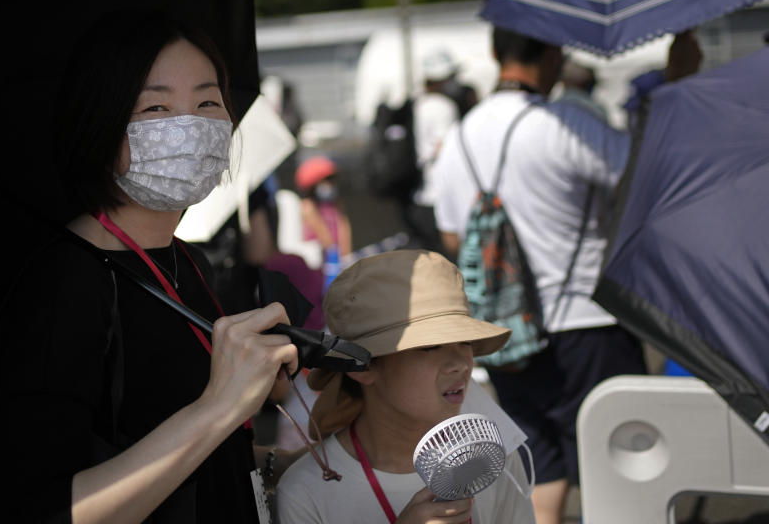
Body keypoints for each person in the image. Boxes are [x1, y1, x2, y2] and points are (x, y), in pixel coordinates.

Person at [0, 10, 298, 523]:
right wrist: (221, 405)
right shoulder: (68, 284)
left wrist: (300, 464)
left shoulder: (187, 260)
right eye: (156, 108)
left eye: (208, 101)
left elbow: (192, 459)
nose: (188, 126)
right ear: (100, 123)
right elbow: (43, 508)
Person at [430, 27, 647, 524]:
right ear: (553, 53)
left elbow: (450, 239)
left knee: (541, 470)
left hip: (507, 337)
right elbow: (642, 182)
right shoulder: (567, 121)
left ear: (494, 53)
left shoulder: (459, 136)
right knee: (624, 469)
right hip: (588, 326)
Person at [276, 250, 535, 524]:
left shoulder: (493, 461)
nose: (461, 363)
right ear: (364, 368)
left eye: (466, 342)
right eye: (430, 346)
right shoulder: (307, 492)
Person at [402, 50, 462, 257]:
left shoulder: (418, 103)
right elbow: (444, 146)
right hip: (440, 196)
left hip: (420, 195)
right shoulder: (442, 107)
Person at [295, 155, 353, 269]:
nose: (330, 185)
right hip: (318, 264)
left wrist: (347, 257)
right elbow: (324, 237)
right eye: (325, 182)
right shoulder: (308, 206)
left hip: (339, 262)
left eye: (331, 181)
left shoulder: (335, 205)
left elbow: (344, 232)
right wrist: (335, 257)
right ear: (312, 185)